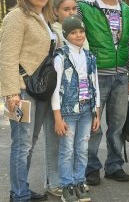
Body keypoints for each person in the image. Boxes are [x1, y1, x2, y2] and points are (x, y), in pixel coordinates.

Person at [77, 0, 129, 185]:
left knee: (117, 125)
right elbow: (76, 38)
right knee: (93, 125)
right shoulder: (84, 7)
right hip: (95, 75)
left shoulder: (126, 10)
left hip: (121, 76)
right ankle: (91, 168)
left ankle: (114, 166)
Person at [0, 0, 55, 202]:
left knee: (29, 143)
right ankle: (18, 194)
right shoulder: (17, 17)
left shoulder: (44, 17)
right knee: (22, 144)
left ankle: (22, 188)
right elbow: (7, 57)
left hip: (40, 90)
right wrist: (11, 92)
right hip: (21, 91)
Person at [45, 0, 90, 197]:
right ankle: (57, 182)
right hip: (60, 98)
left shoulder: (80, 32)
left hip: (83, 102)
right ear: (55, 11)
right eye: (66, 9)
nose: (71, 12)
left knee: (77, 145)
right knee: (60, 144)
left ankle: (75, 180)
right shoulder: (54, 32)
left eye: (74, 8)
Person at [51, 15, 101, 202]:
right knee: (67, 150)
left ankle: (80, 181)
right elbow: (55, 89)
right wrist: (57, 117)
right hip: (68, 113)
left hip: (87, 110)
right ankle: (67, 185)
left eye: (81, 31)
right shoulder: (61, 57)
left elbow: (94, 85)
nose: (78, 35)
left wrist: (97, 112)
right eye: (73, 32)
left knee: (82, 148)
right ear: (65, 35)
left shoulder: (90, 56)